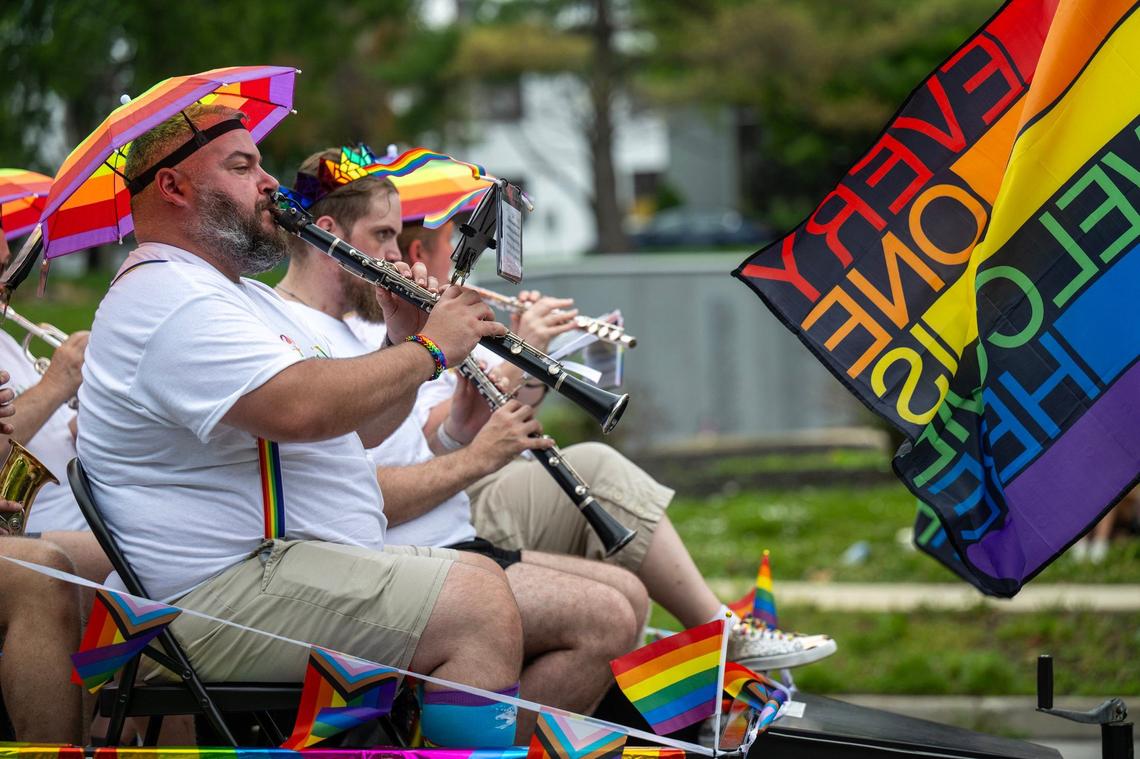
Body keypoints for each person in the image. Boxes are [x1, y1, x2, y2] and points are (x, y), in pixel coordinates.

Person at [76, 104, 528, 747]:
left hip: (263, 574)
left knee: (482, 580)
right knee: (475, 609)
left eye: (262, 165)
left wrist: (401, 340)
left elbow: (358, 428)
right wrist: (429, 349)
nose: (270, 184)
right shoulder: (165, 296)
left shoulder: (234, 294)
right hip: (210, 598)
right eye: (243, 166)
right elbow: (301, 408)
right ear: (173, 188)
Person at [273, 149, 645, 724]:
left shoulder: (355, 328)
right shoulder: (292, 334)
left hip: (445, 539)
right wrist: (477, 454)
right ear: (329, 235)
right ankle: (452, 734)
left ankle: (473, 726)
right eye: (383, 235)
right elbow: (361, 490)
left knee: (630, 597)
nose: (397, 254)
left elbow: (393, 443)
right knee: (608, 617)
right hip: (392, 562)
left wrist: (462, 425)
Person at [375, 217, 837, 671]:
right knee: (596, 469)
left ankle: (712, 636)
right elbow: (440, 436)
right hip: (447, 507)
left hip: (468, 490)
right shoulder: (403, 328)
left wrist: (531, 354)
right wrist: (525, 348)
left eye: (395, 238)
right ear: (423, 253)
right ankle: (719, 631)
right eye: (385, 237)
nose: (392, 254)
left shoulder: (437, 315)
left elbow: (502, 410)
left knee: (624, 583)